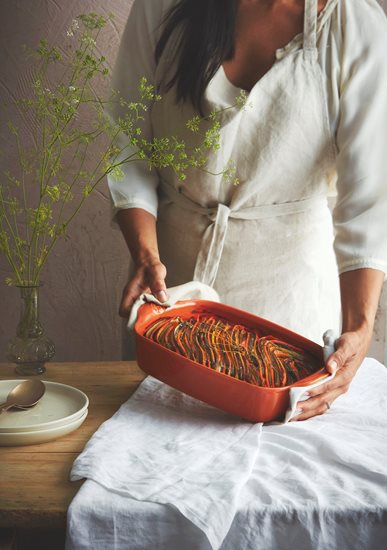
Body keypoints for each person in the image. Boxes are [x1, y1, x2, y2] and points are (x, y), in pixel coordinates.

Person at [107, 0, 387, 420]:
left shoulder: (355, 25)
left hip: (293, 307)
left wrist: (360, 328)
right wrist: (145, 254)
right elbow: (125, 142)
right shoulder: (160, 6)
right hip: (170, 297)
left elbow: (368, 201)